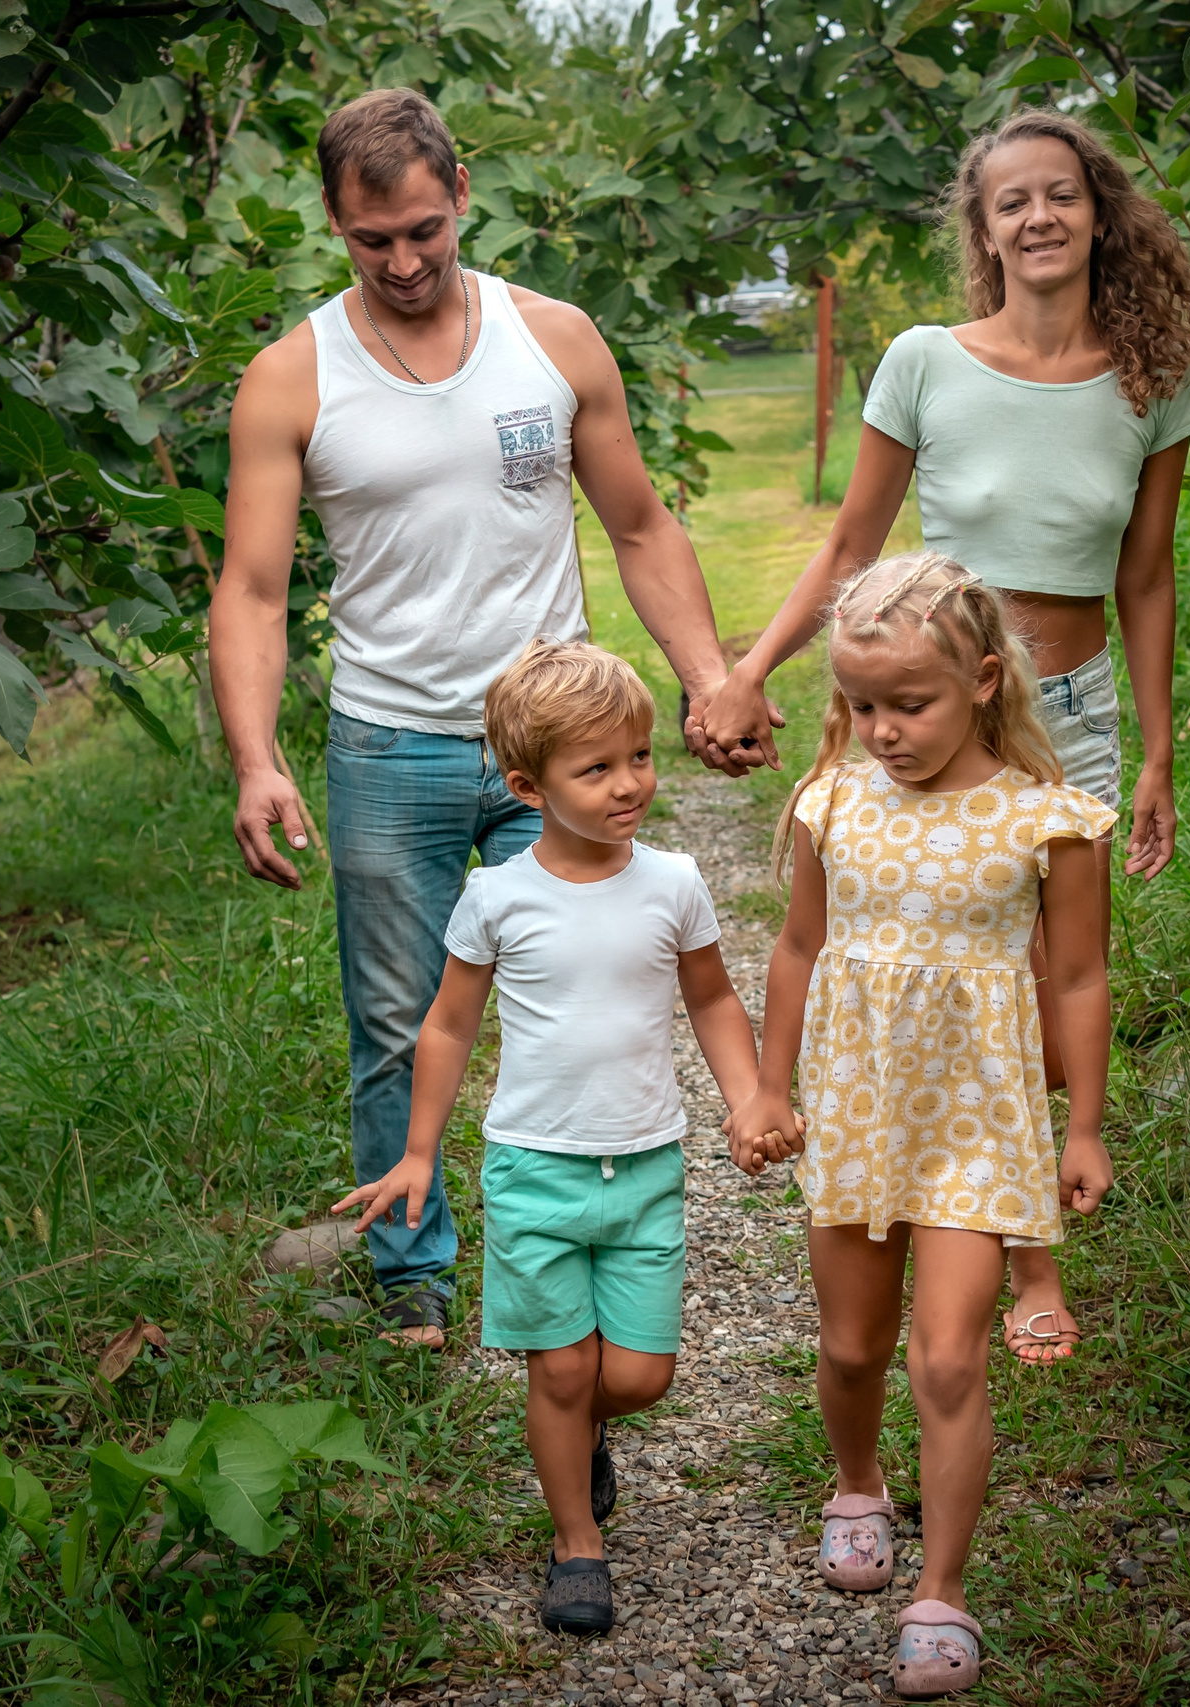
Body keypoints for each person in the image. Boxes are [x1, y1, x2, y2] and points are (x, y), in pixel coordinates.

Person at [213, 89, 777, 1347]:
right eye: (373, 242)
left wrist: (708, 677)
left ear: (462, 190)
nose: (405, 262)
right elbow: (251, 589)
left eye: (424, 228)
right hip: (387, 741)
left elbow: (638, 524)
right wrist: (256, 759)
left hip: (559, 743)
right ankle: (409, 1267)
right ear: (334, 225)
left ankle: (581, 1244)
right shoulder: (292, 375)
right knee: (400, 1017)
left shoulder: (554, 339)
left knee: (584, 992)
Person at [694, 108, 1190, 1367]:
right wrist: (746, 670)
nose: (1038, 219)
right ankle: (992, 1237)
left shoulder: (1151, 378)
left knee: (1045, 986)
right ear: (982, 230)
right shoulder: (928, 359)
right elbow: (849, 545)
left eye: (1060, 195)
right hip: (923, 712)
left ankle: (1010, 1221)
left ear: (1098, 209)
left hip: (1072, 717)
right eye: (1010, 204)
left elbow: (1145, 577)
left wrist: (1153, 750)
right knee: (916, 955)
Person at [729, 554, 1115, 1699]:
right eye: (861, 706)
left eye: (911, 705)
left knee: (947, 1356)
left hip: (980, 1127)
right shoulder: (832, 800)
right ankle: (856, 1483)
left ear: (986, 681)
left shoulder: (1048, 823)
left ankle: (941, 1591)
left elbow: (1080, 980)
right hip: (858, 1112)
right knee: (853, 1347)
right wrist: (765, 1086)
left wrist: (1081, 1127)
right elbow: (796, 949)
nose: (882, 731)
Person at [337, 640, 759, 1637]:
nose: (630, 786)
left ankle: (577, 1432)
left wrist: (747, 1098)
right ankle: (577, 1542)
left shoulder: (673, 883)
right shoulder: (497, 897)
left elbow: (711, 997)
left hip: (645, 1164)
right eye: (598, 768)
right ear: (528, 786)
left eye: (641, 758)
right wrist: (416, 1154)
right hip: (533, 1168)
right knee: (560, 1370)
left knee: (637, 1376)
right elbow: (444, 1027)